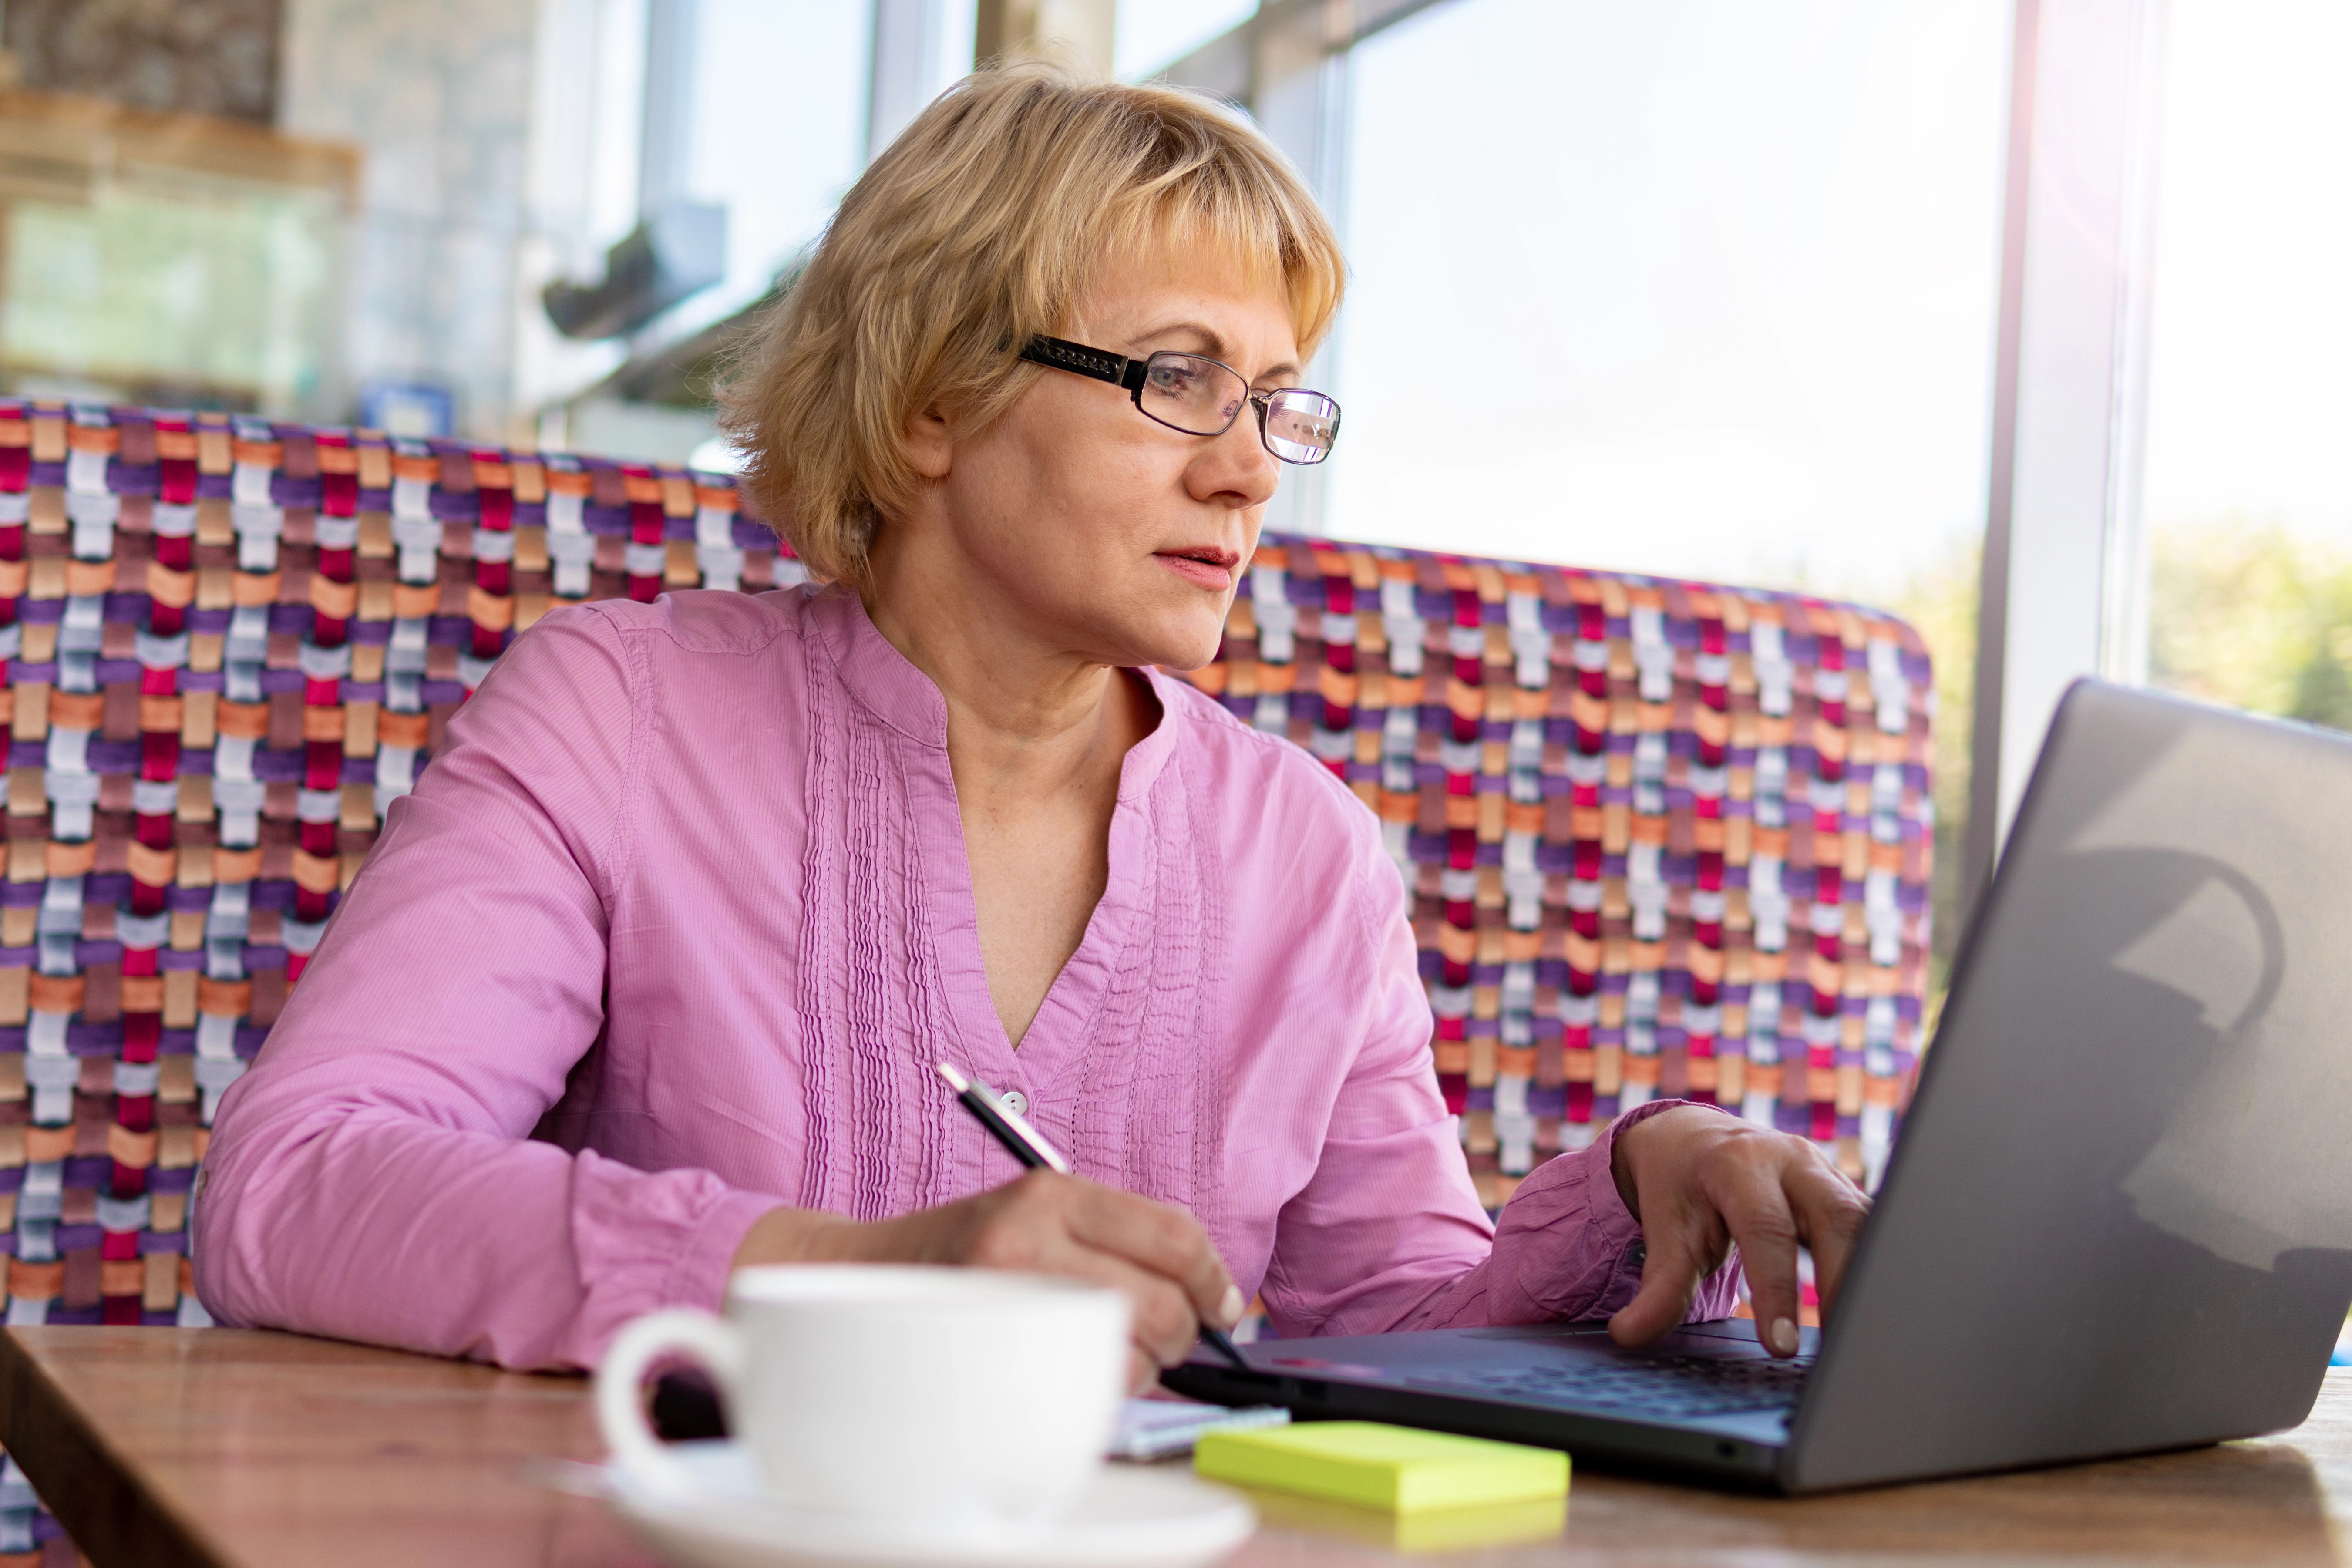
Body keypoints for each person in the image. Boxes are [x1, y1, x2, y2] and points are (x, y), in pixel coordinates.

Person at [194, 62, 1868, 1387]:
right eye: (1176, 377)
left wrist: (1651, 1175)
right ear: (934, 401)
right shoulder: (617, 713)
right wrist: (853, 1278)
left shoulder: (1305, 849)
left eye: (1277, 400)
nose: (1248, 467)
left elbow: (1376, 1334)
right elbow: (293, 1194)